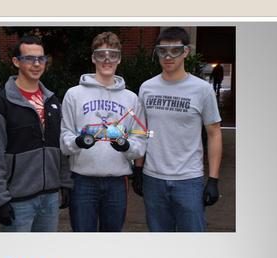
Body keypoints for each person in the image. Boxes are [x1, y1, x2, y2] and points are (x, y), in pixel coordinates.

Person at [133, 27, 223, 232]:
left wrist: (214, 179)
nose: (168, 56)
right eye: (162, 50)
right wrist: (138, 168)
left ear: (185, 52)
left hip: (188, 180)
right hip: (152, 178)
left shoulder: (202, 89)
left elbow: (214, 133)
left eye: (175, 50)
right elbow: (142, 129)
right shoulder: (147, 87)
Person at [0, 35, 72, 232]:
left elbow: (62, 146)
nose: (37, 64)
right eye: (29, 58)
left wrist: (65, 182)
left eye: (41, 58)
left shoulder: (53, 102)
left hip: (50, 198)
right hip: (17, 201)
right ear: (16, 62)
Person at [60, 31, 146, 232]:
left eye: (113, 54)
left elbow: (140, 142)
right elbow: (64, 139)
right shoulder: (74, 94)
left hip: (117, 181)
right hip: (82, 180)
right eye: (101, 54)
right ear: (93, 57)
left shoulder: (131, 98)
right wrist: (78, 142)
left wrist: (126, 146)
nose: (107, 59)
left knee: (112, 238)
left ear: (120, 59)